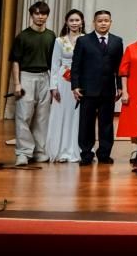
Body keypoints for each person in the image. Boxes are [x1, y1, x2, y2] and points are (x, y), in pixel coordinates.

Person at [71, 9, 124, 165]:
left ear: (110, 22)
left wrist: (120, 86)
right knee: (86, 123)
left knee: (106, 123)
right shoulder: (83, 41)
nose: (103, 23)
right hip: (87, 89)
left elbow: (119, 67)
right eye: (100, 21)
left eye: (106, 21)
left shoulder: (117, 41)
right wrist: (75, 86)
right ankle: (86, 154)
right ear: (94, 22)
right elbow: (76, 65)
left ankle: (104, 154)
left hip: (108, 89)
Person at [10, 1, 55, 166]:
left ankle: (39, 151)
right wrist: (17, 83)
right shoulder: (23, 36)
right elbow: (15, 61)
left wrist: (54, 84)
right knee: (24, 115)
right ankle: (23, 153)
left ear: (47, 16)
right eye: (37, 13)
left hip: (45, 76)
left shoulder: (51, 36)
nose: (40, 17)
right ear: (31, 15)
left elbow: (53, 62)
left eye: (43, 14)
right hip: (26, 76)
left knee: (42, 117)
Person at [47, 9, 84, 163]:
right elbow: (55, 64)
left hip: (81, 81)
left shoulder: (86, 39)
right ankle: (61, 150)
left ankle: (77, 149)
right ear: (66, 22)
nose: (74, 23)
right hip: (63, 81)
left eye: (77, 20)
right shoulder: (59, 41)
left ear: (82, 22)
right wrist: (53, 86)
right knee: (61, 114)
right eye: (71, 20)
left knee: (77, 116)